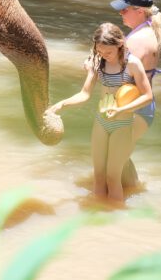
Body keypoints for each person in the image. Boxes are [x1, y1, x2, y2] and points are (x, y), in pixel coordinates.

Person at [50, 23, 153, 202]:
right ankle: (95, 220)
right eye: (100, 51)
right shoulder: (97, 62)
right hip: (101, 122)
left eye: (108, 53)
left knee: (113, 178)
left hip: (122, 124)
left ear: (120, 45)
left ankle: (116, 220)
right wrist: (61, 105)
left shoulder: (133, 64)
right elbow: (84, 94)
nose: (104, 56)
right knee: (98, 176)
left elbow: (147, 96)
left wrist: (121, 109)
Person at [110, 0, 161, 144]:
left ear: (139, 11)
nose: (120, 13)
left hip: (134, 108)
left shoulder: (137, 40)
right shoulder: (146, 31)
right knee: (121, 159)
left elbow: (117, 74)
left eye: (124, 10)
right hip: (139, 107)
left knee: (115, 160)